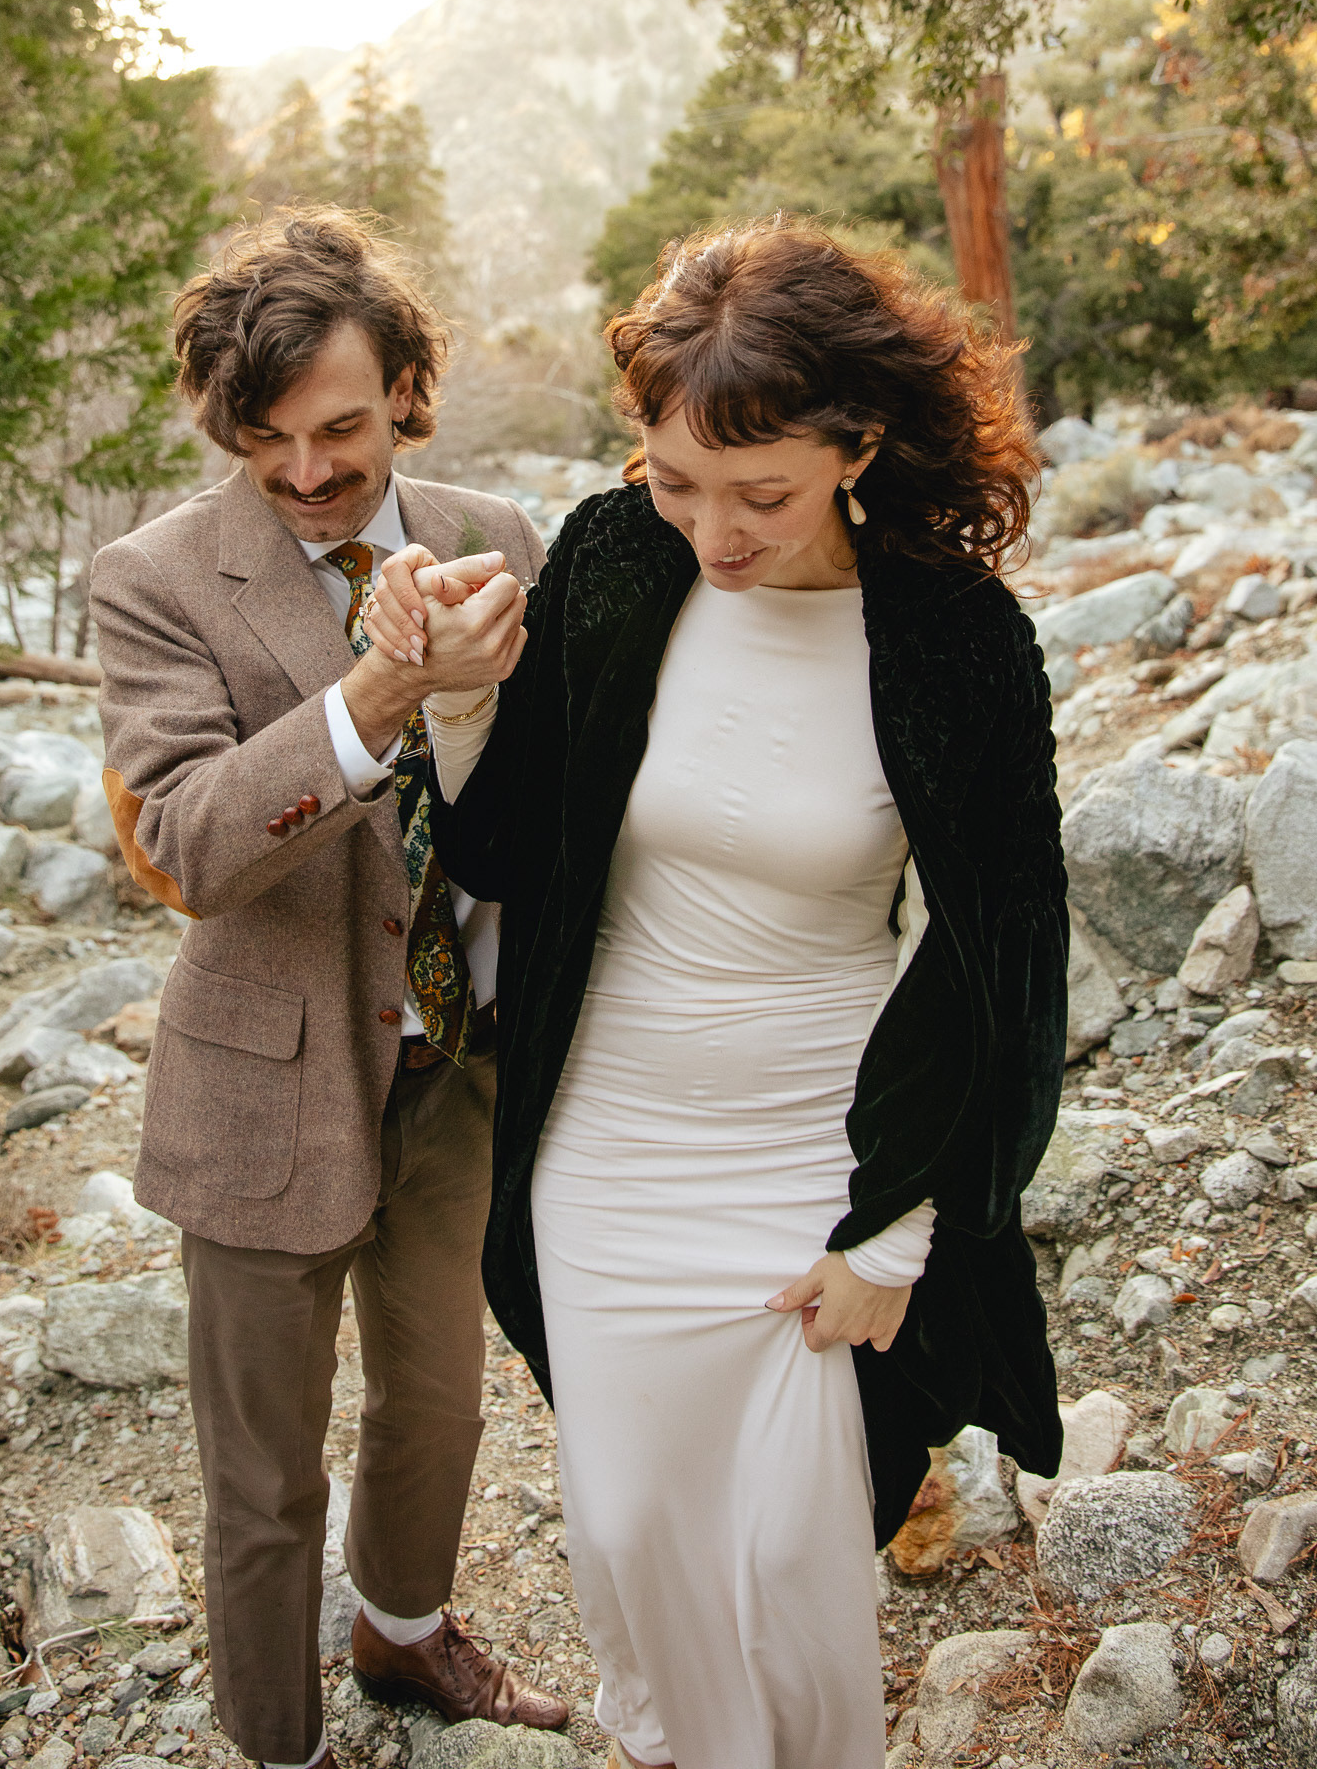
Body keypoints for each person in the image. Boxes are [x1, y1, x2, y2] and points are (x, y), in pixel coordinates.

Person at [366, 218, 1069, 1769]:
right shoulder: (620, 559)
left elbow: (1007, 964)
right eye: (679, 481)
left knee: (786, 1568)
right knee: (627, 1531)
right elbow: (507, 847)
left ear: (858, 447)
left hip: (816, 1153)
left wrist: (898, 1228)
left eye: (763, 494)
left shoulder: (956, 641)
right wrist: (464, 692)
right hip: (607, 1150)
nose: (714, 531)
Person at [89, 207, 567, 1769]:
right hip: (259, 1093)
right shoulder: (154, 578)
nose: (304, 472)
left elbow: (557, 808)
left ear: (408, 388)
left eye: (341, 429)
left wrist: (487, 708)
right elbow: (184, 844)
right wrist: (379, 692)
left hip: (457, 1069)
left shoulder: (501, 533)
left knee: (439, 1409)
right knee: (263, 1478)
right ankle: (278, 1744)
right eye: (266, 439)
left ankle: (405, 1632)